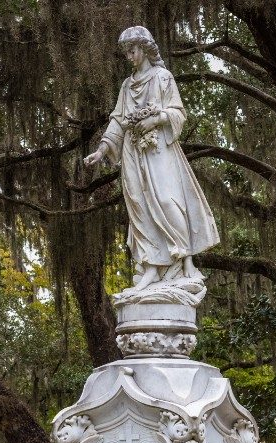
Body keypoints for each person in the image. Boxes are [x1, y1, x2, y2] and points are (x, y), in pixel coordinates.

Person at [84, 26, 220, 292]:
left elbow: (178, 113)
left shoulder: (162, 77)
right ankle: (150, 266)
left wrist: (155, 119)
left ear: (144, 49)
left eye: (132, 51)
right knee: (139, 205)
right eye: (126, 53)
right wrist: (101, 150)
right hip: (133, 152)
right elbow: (119, 120)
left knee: (169, 201)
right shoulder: (127, 85)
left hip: (159, 149)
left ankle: (185, 261)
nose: (129, 57)